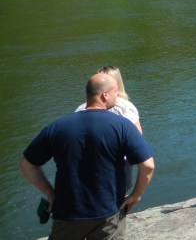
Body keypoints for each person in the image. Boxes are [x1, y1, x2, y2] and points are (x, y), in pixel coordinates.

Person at [19, 73, 155, 240]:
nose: (117, 95)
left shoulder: (57, 127)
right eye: (115, 91)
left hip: (67, 214)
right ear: (105, 95)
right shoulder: (122, 126)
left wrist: (50, 193)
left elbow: (27, 164)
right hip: (107, 215)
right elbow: (148, 166)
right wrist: (135, 195)